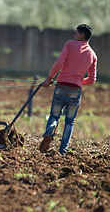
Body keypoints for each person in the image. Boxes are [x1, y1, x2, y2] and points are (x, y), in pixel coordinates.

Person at [39, 24, 97, 155]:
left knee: (54, 115)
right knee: (70, 122)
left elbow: (59, 63)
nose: (74, 35)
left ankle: (50, 130)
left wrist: (49, 78)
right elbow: (92, 80)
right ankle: (63, 151)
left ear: (82, 35)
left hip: (61, 86)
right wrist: (78, 80)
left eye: (76, 33)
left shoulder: (70, 45)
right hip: (75, 91)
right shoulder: (93, 55)